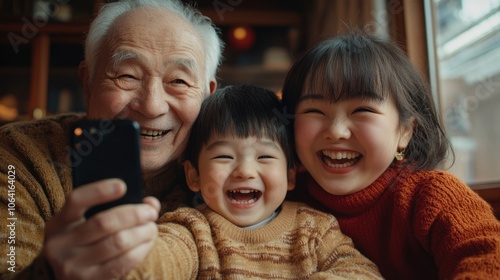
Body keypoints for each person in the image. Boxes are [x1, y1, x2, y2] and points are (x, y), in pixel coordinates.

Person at [0, 0, 223, 279]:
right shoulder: (17, 156)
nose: (152, 106)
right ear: (89, 83)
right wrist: (48, 273)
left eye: (178, 81)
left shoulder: (230, 170)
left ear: (207, 95)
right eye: (127, 75)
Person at [282, 32, 500, 280]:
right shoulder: (280, 197)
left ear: (405, 131)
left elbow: (487, 254)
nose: (336, 131)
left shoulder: (431, 196)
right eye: (314, 110)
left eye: (362, 110)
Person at [124, 84, 383, 279]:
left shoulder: (314, 229)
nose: (245, 171)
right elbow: (160, 261)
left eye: (265, 156)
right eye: (224, 156)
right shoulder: (193, 229)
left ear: (290, 175)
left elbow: (362, 272)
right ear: (194, 176)